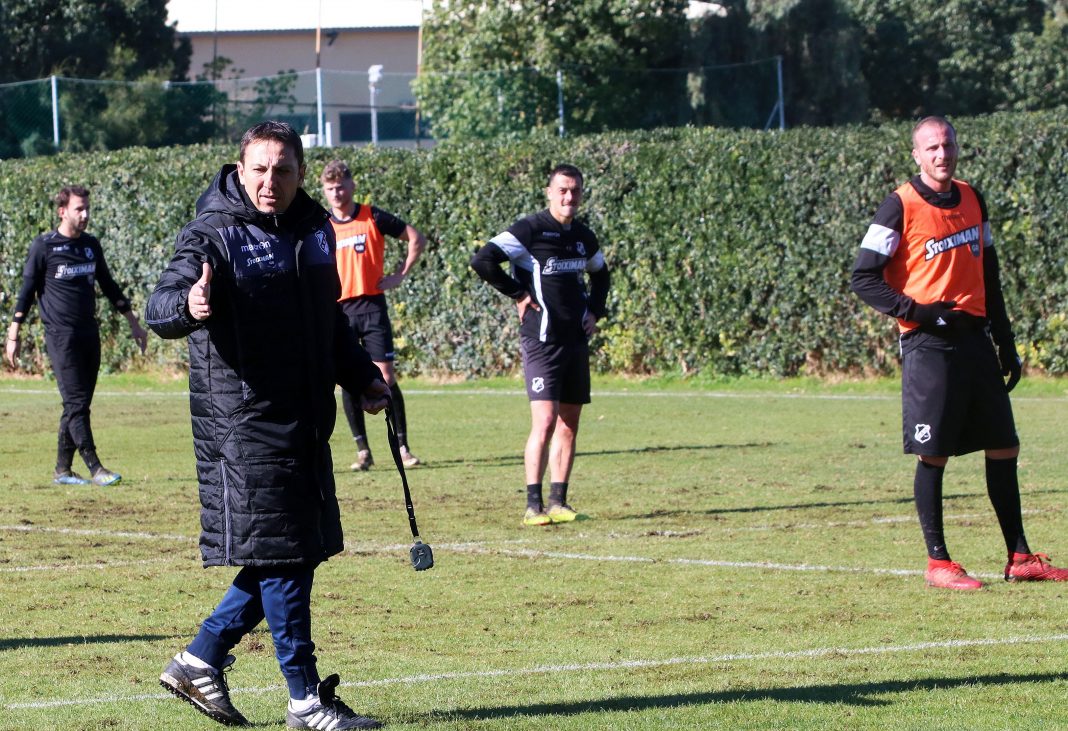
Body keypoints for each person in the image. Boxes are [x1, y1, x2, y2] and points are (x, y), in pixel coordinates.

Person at [146, 121, 389, 729]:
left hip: (304, 420)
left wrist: (361, 375)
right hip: (244, 423)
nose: (269, 181)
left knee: (295, 550)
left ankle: (199, 659)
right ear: (240, 169)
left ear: (300, 173)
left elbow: (328, 320)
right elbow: (161, 304)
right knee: (285, 554)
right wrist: (189, 305)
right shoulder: (213, 232)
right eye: (259, 169)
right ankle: (304, 699)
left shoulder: (314, 229)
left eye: (282, 170)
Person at [851, 116, 1068, 590]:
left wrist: (1005, 341)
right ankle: (939, 563)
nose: (941, 154)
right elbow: (863, 277)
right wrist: (917, 312)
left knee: (1004, 444)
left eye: (947, 145)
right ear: (916, 155)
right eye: (931, 147)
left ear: (956, 148)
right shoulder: (899, 205)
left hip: (975, 340)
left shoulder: (972, 198)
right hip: (929, 344)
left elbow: (989, 272)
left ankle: (1020, 557)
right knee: (934, 453)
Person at [471, 164, 610, 527]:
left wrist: (595, 311)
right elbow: (483, 260)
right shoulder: (530, 229)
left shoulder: (583, 235)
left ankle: (559, 502)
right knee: (545, 420)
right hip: (541, 342)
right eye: (562, 190)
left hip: (575, 342)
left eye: (575, 190)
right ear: (549, 192)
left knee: (569, 424)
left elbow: (601, 274)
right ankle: (533, 506)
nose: (569, 196)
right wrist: (518, 293)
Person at [6, 185, 148, 487]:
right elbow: (26, 292)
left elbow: (108, 285)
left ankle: (63, 470)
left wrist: (134, 323)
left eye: (87, 209)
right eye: (78, 209)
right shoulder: (44, 246)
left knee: (76, 405)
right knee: (76, 403)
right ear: (62, 211)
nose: (85, 215)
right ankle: (96, 468)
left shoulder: (90, 245)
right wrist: (13, 333)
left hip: (89, 334)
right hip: (61, 337)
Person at [320, 159, 427, 471]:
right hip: (340, 310)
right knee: (348, 381)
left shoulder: (372, 216)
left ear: (352, 186)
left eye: (341, 186)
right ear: (324, 191)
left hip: (372, 306)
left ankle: (403, 447)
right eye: (330, 188)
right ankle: (363, 451)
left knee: (386, 377)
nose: (337, 193)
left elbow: (415, 237)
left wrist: (400, 274)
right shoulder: (322, 225)